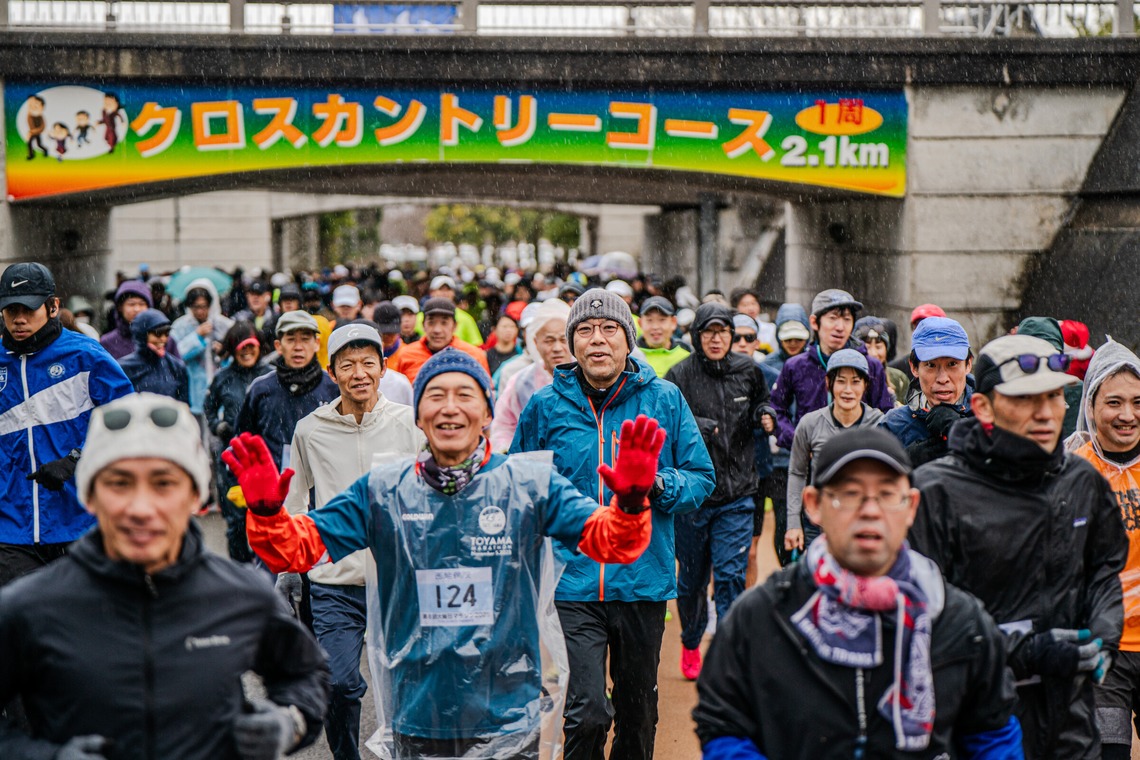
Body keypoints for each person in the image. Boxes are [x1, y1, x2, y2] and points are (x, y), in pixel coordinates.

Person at [224, 349, 662, 760]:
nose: (450, 407)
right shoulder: (384, 491)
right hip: (420, 710)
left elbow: (612, 541)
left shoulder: (530, 485)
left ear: (486, 413)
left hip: (509, 710)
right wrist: (267, 513)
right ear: (419, 416)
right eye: (436, 396)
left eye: (464, 395)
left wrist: (630, 503)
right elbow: (296, 547)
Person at [0, 392, 330, 759]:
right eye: (120, 483)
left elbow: (306, 674)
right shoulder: (31, 607)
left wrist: (288, 722)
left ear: (195, 495)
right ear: (89, 496)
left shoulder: (240, 594)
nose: (141, 507)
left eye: (164, 484)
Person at [693, 427, 1023, 759]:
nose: (870, 510)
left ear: (911, 506)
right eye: (850, 493)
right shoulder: (762, 617)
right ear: (814, 505)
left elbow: (994, 733)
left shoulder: (959, 621)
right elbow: (724, 725)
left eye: (887, 494)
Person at [511, 287, 715, 760]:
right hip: (571, 581)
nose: (597, 339)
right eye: (585, 330)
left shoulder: (664, 399)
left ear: (628, 340)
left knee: (637, 713)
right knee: (586, 712)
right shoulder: (545, 405)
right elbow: (520, 485)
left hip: (642, 579)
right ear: (572, 343)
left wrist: (654, 485)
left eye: (609, 329)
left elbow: (701, 477)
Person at [908, 333, 1126, 758]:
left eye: (1054, 396)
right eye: (1025, 399)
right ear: (983, 407)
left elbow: (1103, 572)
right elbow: (921, 617)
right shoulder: (935, 493)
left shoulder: (1082, 481)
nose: (1045, 412)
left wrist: (1104, 637)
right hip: (978, 723)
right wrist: (1027, 650)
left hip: (1071, 720)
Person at [282, 323, 425, 760]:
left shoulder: (411, 425)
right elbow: (295, 503)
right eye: (347, 365)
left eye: (368, 363)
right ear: (332, 373)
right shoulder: (310, 430)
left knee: (410, 684)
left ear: (383, 369)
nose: (359, 373)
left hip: (399, 580)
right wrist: (290, 568)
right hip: (334, 580)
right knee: (339, 684)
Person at [0, 263, 134, 588]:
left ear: (53, 306)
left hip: (80, 521)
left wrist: (77, 459)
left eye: (28, 309)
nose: (19, 319)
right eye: (11, 310)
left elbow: (129, 421)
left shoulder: (86, 355)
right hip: (10, 530)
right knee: (22, 616)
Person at [665, 303, 775, 680]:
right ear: (697, 336)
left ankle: (728, 648)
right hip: (693, 499)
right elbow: (666, 423)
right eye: (708, 332)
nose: (716, 339)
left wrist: (764, 414)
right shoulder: (679, 375)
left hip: (738, 493)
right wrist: (697, 425)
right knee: (692, 580)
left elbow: (762, 401)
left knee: (730, 574)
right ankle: (691, 640)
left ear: (731, 335)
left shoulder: (748, 370)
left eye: (723, 331)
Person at [1064, 341, 1140, 760]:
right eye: (1114, 402)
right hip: (1102, 649)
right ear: (1091, 407)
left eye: (1137, 402)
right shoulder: (1071, 472)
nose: (1127, 414)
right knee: (1107, 753)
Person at [784, 349, 885, 554]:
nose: (848, 390)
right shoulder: (810, 424)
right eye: (841, 381)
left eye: (855, 382)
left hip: (864, 521)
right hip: (819, 523)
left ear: (865, 386)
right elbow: (797, 472)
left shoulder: (880, 423)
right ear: (828, 383)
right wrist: (793, 523)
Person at [771, 288, 892, 453]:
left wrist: (865, 447)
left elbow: (886, 415)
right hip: (810, 459)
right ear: (815, 322)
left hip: (857, 457)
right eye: (833, 318)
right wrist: (799, 442)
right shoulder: (796, 365)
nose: (840, 327)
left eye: (847, 319)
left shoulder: (871, 366)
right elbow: (776, 410)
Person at [236, 309, 339, 474]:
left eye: (305, 339)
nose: (298, 347)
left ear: (317, 343)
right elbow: (243, 440)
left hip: (323, 482)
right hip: (273, 484)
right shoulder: (261, 389)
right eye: (291, 340)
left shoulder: (334, 387)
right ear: (278, 346)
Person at [204, 321, 273, 562]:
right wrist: (218, 426)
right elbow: (209, 408)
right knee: (237, 522)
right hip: (233, 458)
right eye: (241, 347)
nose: (247, 352)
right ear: (232, 349)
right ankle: (240, 571)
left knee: (267, 518)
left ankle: (267, 571)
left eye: (251, 346)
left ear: (259, 347)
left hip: (266, 458)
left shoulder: (270, 375)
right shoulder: (223, 378)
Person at [879, 316, 975, 467]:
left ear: (968, 364)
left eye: (952, 364)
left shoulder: (988, 417)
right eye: (931, 365)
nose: (942, 379)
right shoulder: (894, 424)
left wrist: (962, 432)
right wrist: (904, 462)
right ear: (914, 367)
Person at [760, 303, 811, 567]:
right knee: (782, 521)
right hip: (779, 461)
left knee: (810, 519)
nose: (793, 343)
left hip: (812, 457)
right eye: (787, 337)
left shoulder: (816, 365)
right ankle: (789, 569)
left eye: (798, 338)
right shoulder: (766, 367)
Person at [489, 299, 570, 452]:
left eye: (563, 339)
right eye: (549, 340)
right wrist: (509, 452)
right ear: (535, 342)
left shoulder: (588, 377)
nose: (557, 348)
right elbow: (503, 427)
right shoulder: (521, 382)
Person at [171, 280, 234, 426]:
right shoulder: (180, 326)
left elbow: (236, 354)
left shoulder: (224, 325)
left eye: (204, 306)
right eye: (196, 307)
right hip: (192, 390)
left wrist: (224, 352)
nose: (200, 312)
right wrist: (197, 337)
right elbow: (175, 355)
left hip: (221, 387)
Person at [389, 298, 490, 384]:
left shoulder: (473, 356)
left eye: (444, 323)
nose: (437, 330)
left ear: (455, 326)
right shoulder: (406, 354)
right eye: (431, 322)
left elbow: (487, 393)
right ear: (423, 325)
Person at [1017, 316, 1084, 439]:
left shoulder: (1076, 390)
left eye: (1052, 360)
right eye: (1031, 361)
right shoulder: (1006, 394)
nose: (1042, 367)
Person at [118, 308, 190, 404]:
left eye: (167, 333)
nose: (163, 339)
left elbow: (183, 404)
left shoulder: (176, 366)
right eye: (158, 333)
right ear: (142, 335)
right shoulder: (123, 367)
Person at [100, 279, 180, 361]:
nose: (137, 309)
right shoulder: (107, 342)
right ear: (120, 307)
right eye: (131, 304)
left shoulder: (165, 340)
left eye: (142, 304)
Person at [412, 275, 485, 346]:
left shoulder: (466, 318)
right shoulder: (418, 318)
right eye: (440, 289)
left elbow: (477, 345)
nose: (444, 293)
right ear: (431, 292)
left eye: (448, 289)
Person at [853, 316, 908, 403]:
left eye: (878, 347)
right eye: (867, 347)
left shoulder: (899, 379)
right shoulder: (846, 379)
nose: (873, 353)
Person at [890, 303, 947, 382]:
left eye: (928, 327)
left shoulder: (957, 365)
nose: (921, 332)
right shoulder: (897, 370)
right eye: (917, 327)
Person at [635, 296, 689, 378]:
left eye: (662, 320)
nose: (655, 327)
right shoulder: (629, 358)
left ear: (673, 322)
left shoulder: (686, 358)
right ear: (640, 323)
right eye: (649, 320)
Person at [232, 279, 278, 351]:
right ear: (247, 296)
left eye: (259, 294)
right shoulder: (238, 319)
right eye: (252, 294)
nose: (255, 297)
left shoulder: (276, 319)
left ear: (268, 296)